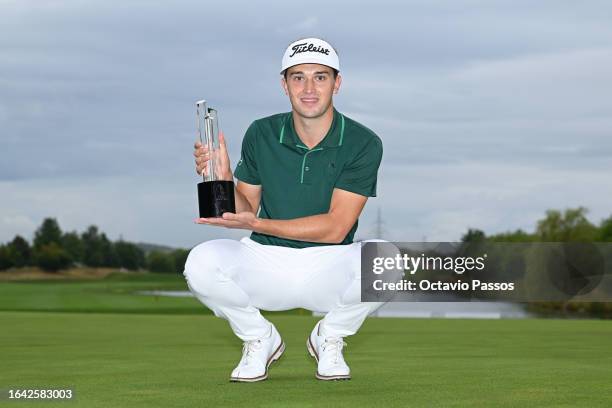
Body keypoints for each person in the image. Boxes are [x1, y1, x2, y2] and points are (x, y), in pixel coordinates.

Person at [183, 37, 386, 382]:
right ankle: (259, 338)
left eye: (320, 77)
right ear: (284, 84)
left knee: (387, 262)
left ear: (337, 83)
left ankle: (329, 336)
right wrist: (225, 177)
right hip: (265, 260)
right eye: (298, 77)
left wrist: (259, 222)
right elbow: (245, 207)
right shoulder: (262, 132)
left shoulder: (363, 141)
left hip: (331, 261)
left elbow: (336, 227)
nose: (309, 87)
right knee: (200, 262)